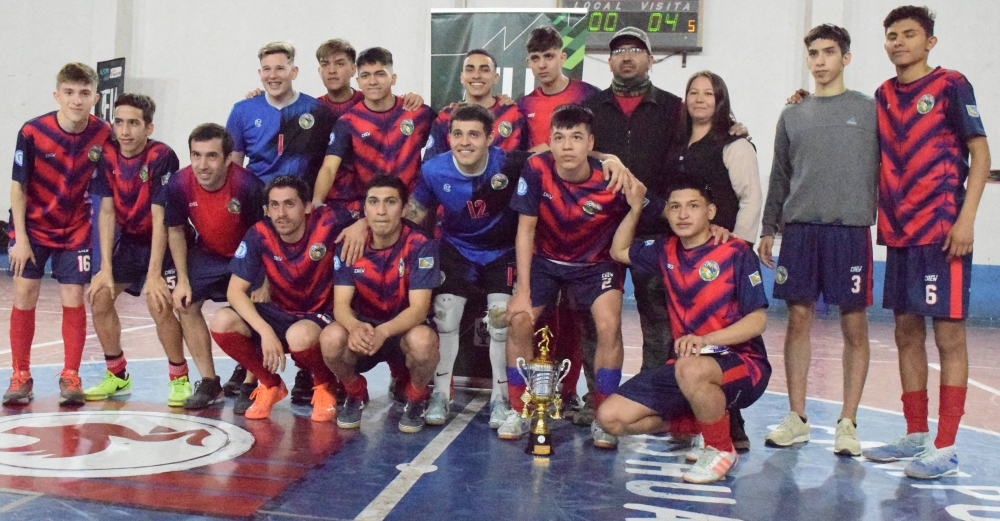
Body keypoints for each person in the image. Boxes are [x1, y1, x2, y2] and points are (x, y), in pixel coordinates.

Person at [861, 6, 990, 480]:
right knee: (905, 333)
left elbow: (981, 153)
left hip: (942, 232)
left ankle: (947, 446)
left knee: (949, 336)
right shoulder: (882, 94)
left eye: (909, 34)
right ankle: (915, 434)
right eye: (892, 35)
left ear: (929, 41)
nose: (898, 42)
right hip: (898, 232)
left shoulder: (951, 84)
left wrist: (966, 219)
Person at [499, 104, 657, 449]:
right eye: (559, 138)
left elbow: (653, 212)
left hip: (596, 264)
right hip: (545, 261)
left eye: (576, 138)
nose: (567, 146)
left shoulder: (614, 178)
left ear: (590, 143)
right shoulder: (536, 168)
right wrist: (522, 290)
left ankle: (603, 414)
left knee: (609, 326)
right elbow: (525, 230)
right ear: (550, 142)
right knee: (520, 321)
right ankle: (521, 408)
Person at [598, 178, 771, 484]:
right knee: (609, 418)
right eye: (675, 207)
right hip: (687, 365)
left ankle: (720, 448)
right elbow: (619, 250)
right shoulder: (665, 250)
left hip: (742, 362)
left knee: (690, 367)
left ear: (711, 212)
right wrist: (636, 208)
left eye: (693, 206)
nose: (682, 214)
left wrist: (706, 340)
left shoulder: (736, 252)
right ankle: (693, 424)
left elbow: (758, 321)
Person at [758, 24, 877, 457]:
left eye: (829, 52)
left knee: (854, 324)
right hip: (800, 230)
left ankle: (848, 422)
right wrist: (768, 228)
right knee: (797, 320)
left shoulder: (870, 110)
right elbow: (780, 175)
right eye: (813, 53)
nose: (820, 60)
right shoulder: (793, 114)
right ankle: (797, 417)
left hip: (850, 231)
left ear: (846, 58)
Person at [407, 104, 529, 426]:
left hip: (501, 252)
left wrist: (608, 160)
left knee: (500, 324)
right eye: (457, 134)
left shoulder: (511, 164)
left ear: (490, 138)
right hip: (457, 249)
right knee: (446, 317)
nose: (464, 142)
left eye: (474, 135)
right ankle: (440, 395)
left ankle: (501, 399)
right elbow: (413, 215)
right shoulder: (434, 170)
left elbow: (554, 156)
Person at [4, 63, 111, 407]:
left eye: (84, 93)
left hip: (75, 228)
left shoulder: (103, 133)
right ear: (57, 95)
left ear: (95, 98)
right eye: (69, 92)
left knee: (73, 297)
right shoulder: (33, 131)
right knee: (25, 293)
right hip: (33, 227)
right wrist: (20, 239)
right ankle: (20, 375)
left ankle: (71, 375)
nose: (76, 100)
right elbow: (18, 187)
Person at [209, 176, 353, 420]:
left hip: (320, 314)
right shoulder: (260, 233)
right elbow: (235, 291)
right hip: (279, 313)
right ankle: (270, 384)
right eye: (274, 205)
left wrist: (360, 226)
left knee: (299, 335)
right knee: (221, 321)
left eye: (289, 204)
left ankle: (325, 384)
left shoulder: (329, 221)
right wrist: (265, 331)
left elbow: (373, 216)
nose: (281, 213)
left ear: (307, 206)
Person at [84, 93, 186, 404]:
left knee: (159, 303)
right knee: (100, 297)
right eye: (119, 122)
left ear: (148, 127)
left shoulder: (161, 156)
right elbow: (106, 212)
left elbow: (160, 217)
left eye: (133, 123)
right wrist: (105, 268)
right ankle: (117, 376)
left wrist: (154, 274)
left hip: (163, 241)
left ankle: (179, 378)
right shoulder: (106, 154)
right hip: (129, 242)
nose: (125, 131)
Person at [319, 175, 441, 433]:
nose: (381, 211)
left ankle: (416, 397)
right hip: (364, 329)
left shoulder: (420, 244)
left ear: (404, 209)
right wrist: (354, 327)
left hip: (402, 330)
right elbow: (341, 304)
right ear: (364, 209)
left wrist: (383, 332)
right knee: (330, 338)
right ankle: (355, 392)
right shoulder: (350, 243)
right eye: (374, 202)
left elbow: (419, 309)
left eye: (390, 202)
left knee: (424, 342)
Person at [162, 123, 266, 409]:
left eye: (211, 156)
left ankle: (250, 382)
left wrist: (263, 281)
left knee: (255, 309)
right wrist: (182, 279)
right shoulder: (179, 183)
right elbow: (175, 230)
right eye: (196, 155)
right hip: (208, 254)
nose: (202, 165)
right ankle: (209, 381)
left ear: (228, 158)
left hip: (247, 257)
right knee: (185, 303)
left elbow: (264, 237)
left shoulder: (248, 185)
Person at [673, 71, 761, 243]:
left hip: (721, 243)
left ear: (720, 101)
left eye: (708, 94)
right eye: (694, 93)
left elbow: (750, 198)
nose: (699, 99)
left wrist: (740, 245)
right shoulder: (676, 142)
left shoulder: (735, 145)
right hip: (680, 244)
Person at [424, 49, 525, 159]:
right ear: (462, 77)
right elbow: (431, 164)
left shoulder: (513, 114)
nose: (476, 75)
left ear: (496, 77)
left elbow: (528, 159)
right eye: (470, 70)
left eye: (484, 70)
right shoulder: (446, 117)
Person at [518, 26, 601, 152]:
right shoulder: (524, 104)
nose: (542, 65)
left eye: (548, 56)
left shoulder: (588, 94)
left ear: (562, 58)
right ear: (529, 62)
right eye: (535, 58)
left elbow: (602, 145)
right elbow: (518, 152)